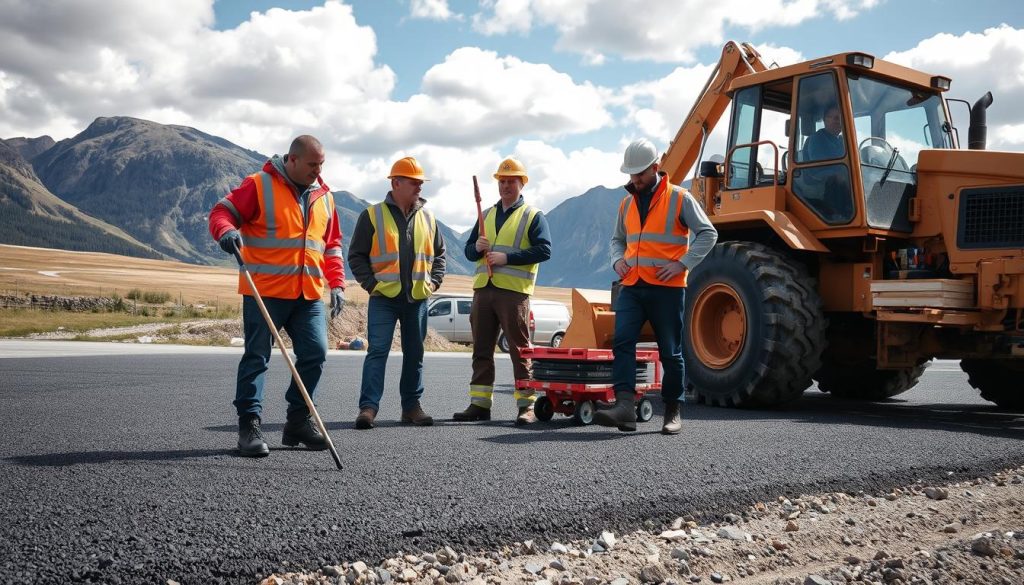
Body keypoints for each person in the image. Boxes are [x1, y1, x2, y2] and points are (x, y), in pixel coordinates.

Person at [208, 135, 345, 457]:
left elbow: (332, 244)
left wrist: (337, 284)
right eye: (312, 164)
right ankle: (249, 427)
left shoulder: (324, 196)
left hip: (308, 295)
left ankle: (297, 420)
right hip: (265, 291)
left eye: (322, 164)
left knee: (315, 354)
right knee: (257, 358)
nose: (318, 171)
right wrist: (226, 233)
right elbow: (221, 213)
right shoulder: (259, 185)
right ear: (292, 160)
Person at [594, 138, 718, 435]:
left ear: (656, 167)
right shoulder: (626, 204)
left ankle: (673, 410)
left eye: (640, 173)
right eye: (631, 174)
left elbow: (707, 233)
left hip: (668, 288)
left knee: (670, 352)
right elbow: (616, 240)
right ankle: (624, 407)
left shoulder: (680, 198)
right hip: (632, 286)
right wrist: (616, 261)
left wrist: (683, 263)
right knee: (622, 342)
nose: (635, 179)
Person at [348, 156, 446, 430]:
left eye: (421, 183)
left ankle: (411, 408)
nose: (419, 188)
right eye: (414, 182)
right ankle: (368, 408)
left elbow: (439, 255)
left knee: (415, 354)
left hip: (417, 298)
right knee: (377, 351)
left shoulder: (428, 217)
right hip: (384, 299)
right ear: (396, 182)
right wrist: (372, 285)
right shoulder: (371, 215)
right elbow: (356, 256)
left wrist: (434, 282)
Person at [452, 157, 552, 425]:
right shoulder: (486, 215)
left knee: (520, 350)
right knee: (481, 349)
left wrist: (507, 259)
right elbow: (469, 250)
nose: (506, 186)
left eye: (511, 181)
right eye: (502, 181)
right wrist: (477, 248)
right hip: (484, 291)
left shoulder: (533, 215)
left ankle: (526, 405)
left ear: (522, 183)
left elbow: (544, 250)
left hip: (513, 293)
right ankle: (480, 404)